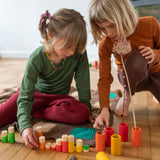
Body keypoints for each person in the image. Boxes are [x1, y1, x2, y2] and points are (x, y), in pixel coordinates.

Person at [0, 9, 93, 148]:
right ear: (50, 35)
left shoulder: (79, 54)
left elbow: (83, 81)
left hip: (60, 99)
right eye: (68, 46)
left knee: (83, 113)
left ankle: (33, 111)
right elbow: (26, 95)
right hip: (35, 95)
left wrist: (87, 107)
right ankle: (27, 111)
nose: (72, 52)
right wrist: (25, 126)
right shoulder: (37, 57)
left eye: (76, 47)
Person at [89, 0, 160, 129]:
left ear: (124, 16)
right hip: (129, 79)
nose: (109, 33)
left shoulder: (150, 24)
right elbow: (104, 78)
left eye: (111, 26)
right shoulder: (105, 44)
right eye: (103, 28)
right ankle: (127, 95)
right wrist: (104, 109)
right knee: (138, 57)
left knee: (143, 55)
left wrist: (155, 55)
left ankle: (155, 92)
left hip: (156, 73)